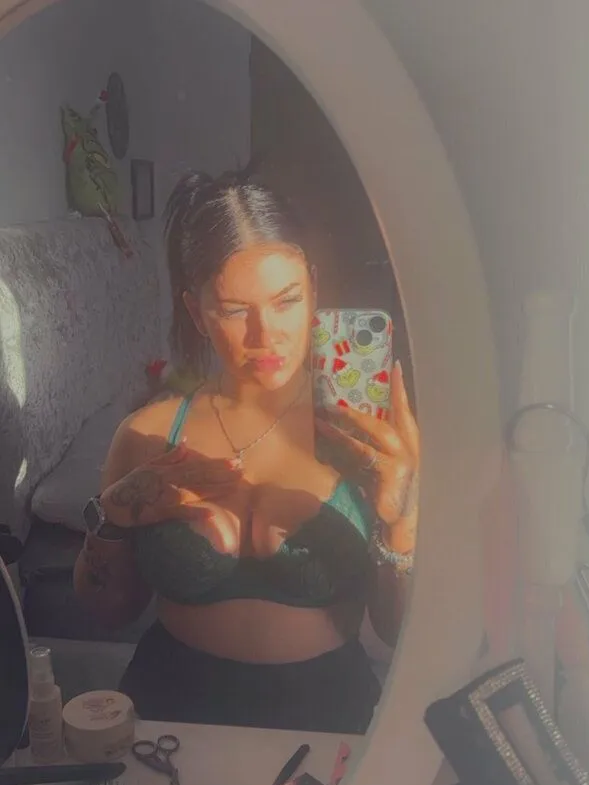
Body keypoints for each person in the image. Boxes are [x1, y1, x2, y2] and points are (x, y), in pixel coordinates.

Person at [74, 168, 419, 734]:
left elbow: (397, 629)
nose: (266, 334)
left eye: (287, 301)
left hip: (326, 724)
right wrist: (112, 515)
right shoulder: (146, 434)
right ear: (196, 312)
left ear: (313, 289)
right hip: (170, 723)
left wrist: (401, 521)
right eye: (235, 310)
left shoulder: (367, 439)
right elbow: (106, 612)